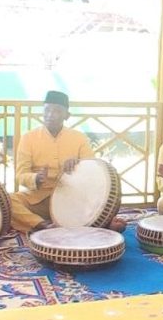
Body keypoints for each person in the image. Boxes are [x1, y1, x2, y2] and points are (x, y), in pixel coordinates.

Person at [10, 90, 126, 232]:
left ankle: (100, 222)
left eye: (57, 111)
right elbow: (20, 175)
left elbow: (93, 171)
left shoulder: (79, 138)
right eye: (47, 110)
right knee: (9, 200)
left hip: (73, 197)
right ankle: (41, 225)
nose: (50, 115)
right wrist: (36, 178)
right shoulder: (28, 138)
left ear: (67, 116)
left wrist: (79, 165)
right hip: (39, 198)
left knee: (102, 201)